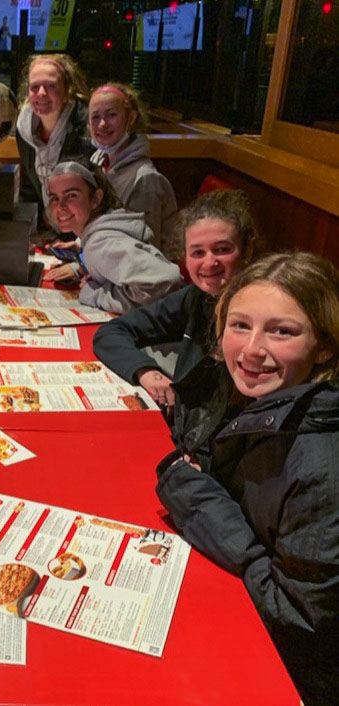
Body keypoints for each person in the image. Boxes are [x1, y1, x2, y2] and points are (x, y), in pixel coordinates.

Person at [155, 252, 339, 706]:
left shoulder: (320, 468)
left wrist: (198, 499)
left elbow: (298, 620)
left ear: (325, 346)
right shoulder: (249, 389)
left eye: (282, 331)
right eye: (240, 325)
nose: (252, 349)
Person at [93, 189, 258, 411]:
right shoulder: (196, 297)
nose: (209, 263)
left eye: (222, 250)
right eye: (197, 253)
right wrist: (146, 371)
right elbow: (111, 333)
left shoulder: (260, 311)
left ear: (246, 250)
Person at [44, 158, 180, 313]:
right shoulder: (96, 236)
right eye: (54, 198)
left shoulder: (99, 244)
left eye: (72, 195)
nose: (61, 206)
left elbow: (166, 280)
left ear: (96, 198)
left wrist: (95, 294)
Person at [88, 82, 177, 254]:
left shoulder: (145, 179)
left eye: (112, 115)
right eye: (95, 117)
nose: (102, 124)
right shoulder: (98, 162)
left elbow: (145, 252)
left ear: (131, 118)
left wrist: (82, 265)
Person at [15, 54, 92, 227]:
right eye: (35, 87)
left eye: (51, 86)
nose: (41, 93)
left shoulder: (86, 128)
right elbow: (29, 189)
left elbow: (92, 193)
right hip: (51, 230)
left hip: (86, 232)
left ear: (67, 91)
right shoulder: (23, 130)